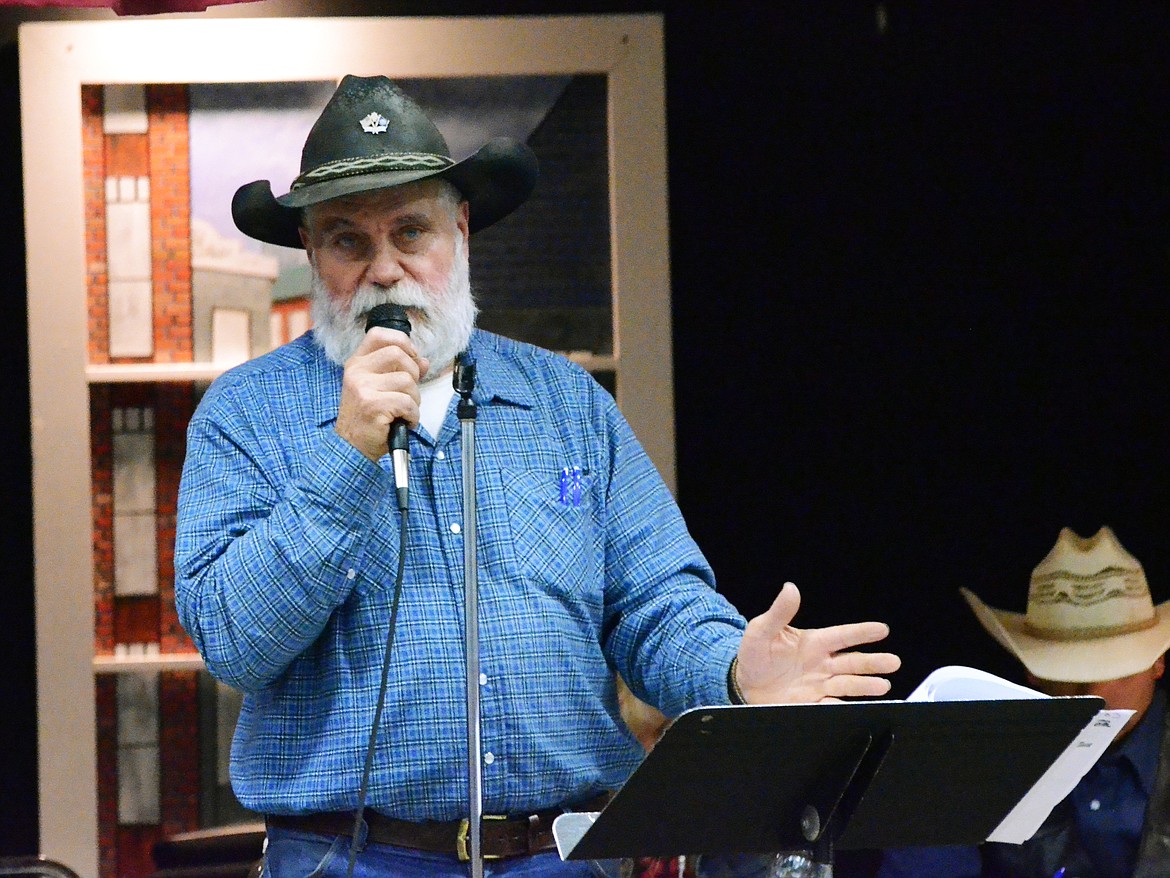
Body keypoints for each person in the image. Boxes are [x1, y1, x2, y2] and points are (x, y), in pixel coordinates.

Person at [173, 75, 900, 878]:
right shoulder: (244, 414)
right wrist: (347, 456)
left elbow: (655, 604)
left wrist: (731, 668)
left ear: (461, 231)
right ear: (312, 252)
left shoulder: (565, 403)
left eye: (410, 231)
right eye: (349, 240)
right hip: (352, 858)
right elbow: (233, 641)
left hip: (563, 856)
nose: (384, 270)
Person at [877, 525, 1170, 878]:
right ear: (1032, 672)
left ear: (1158, 662)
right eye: (1069, 672)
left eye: (1119, 669)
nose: (1096, 691)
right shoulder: (984, 750)